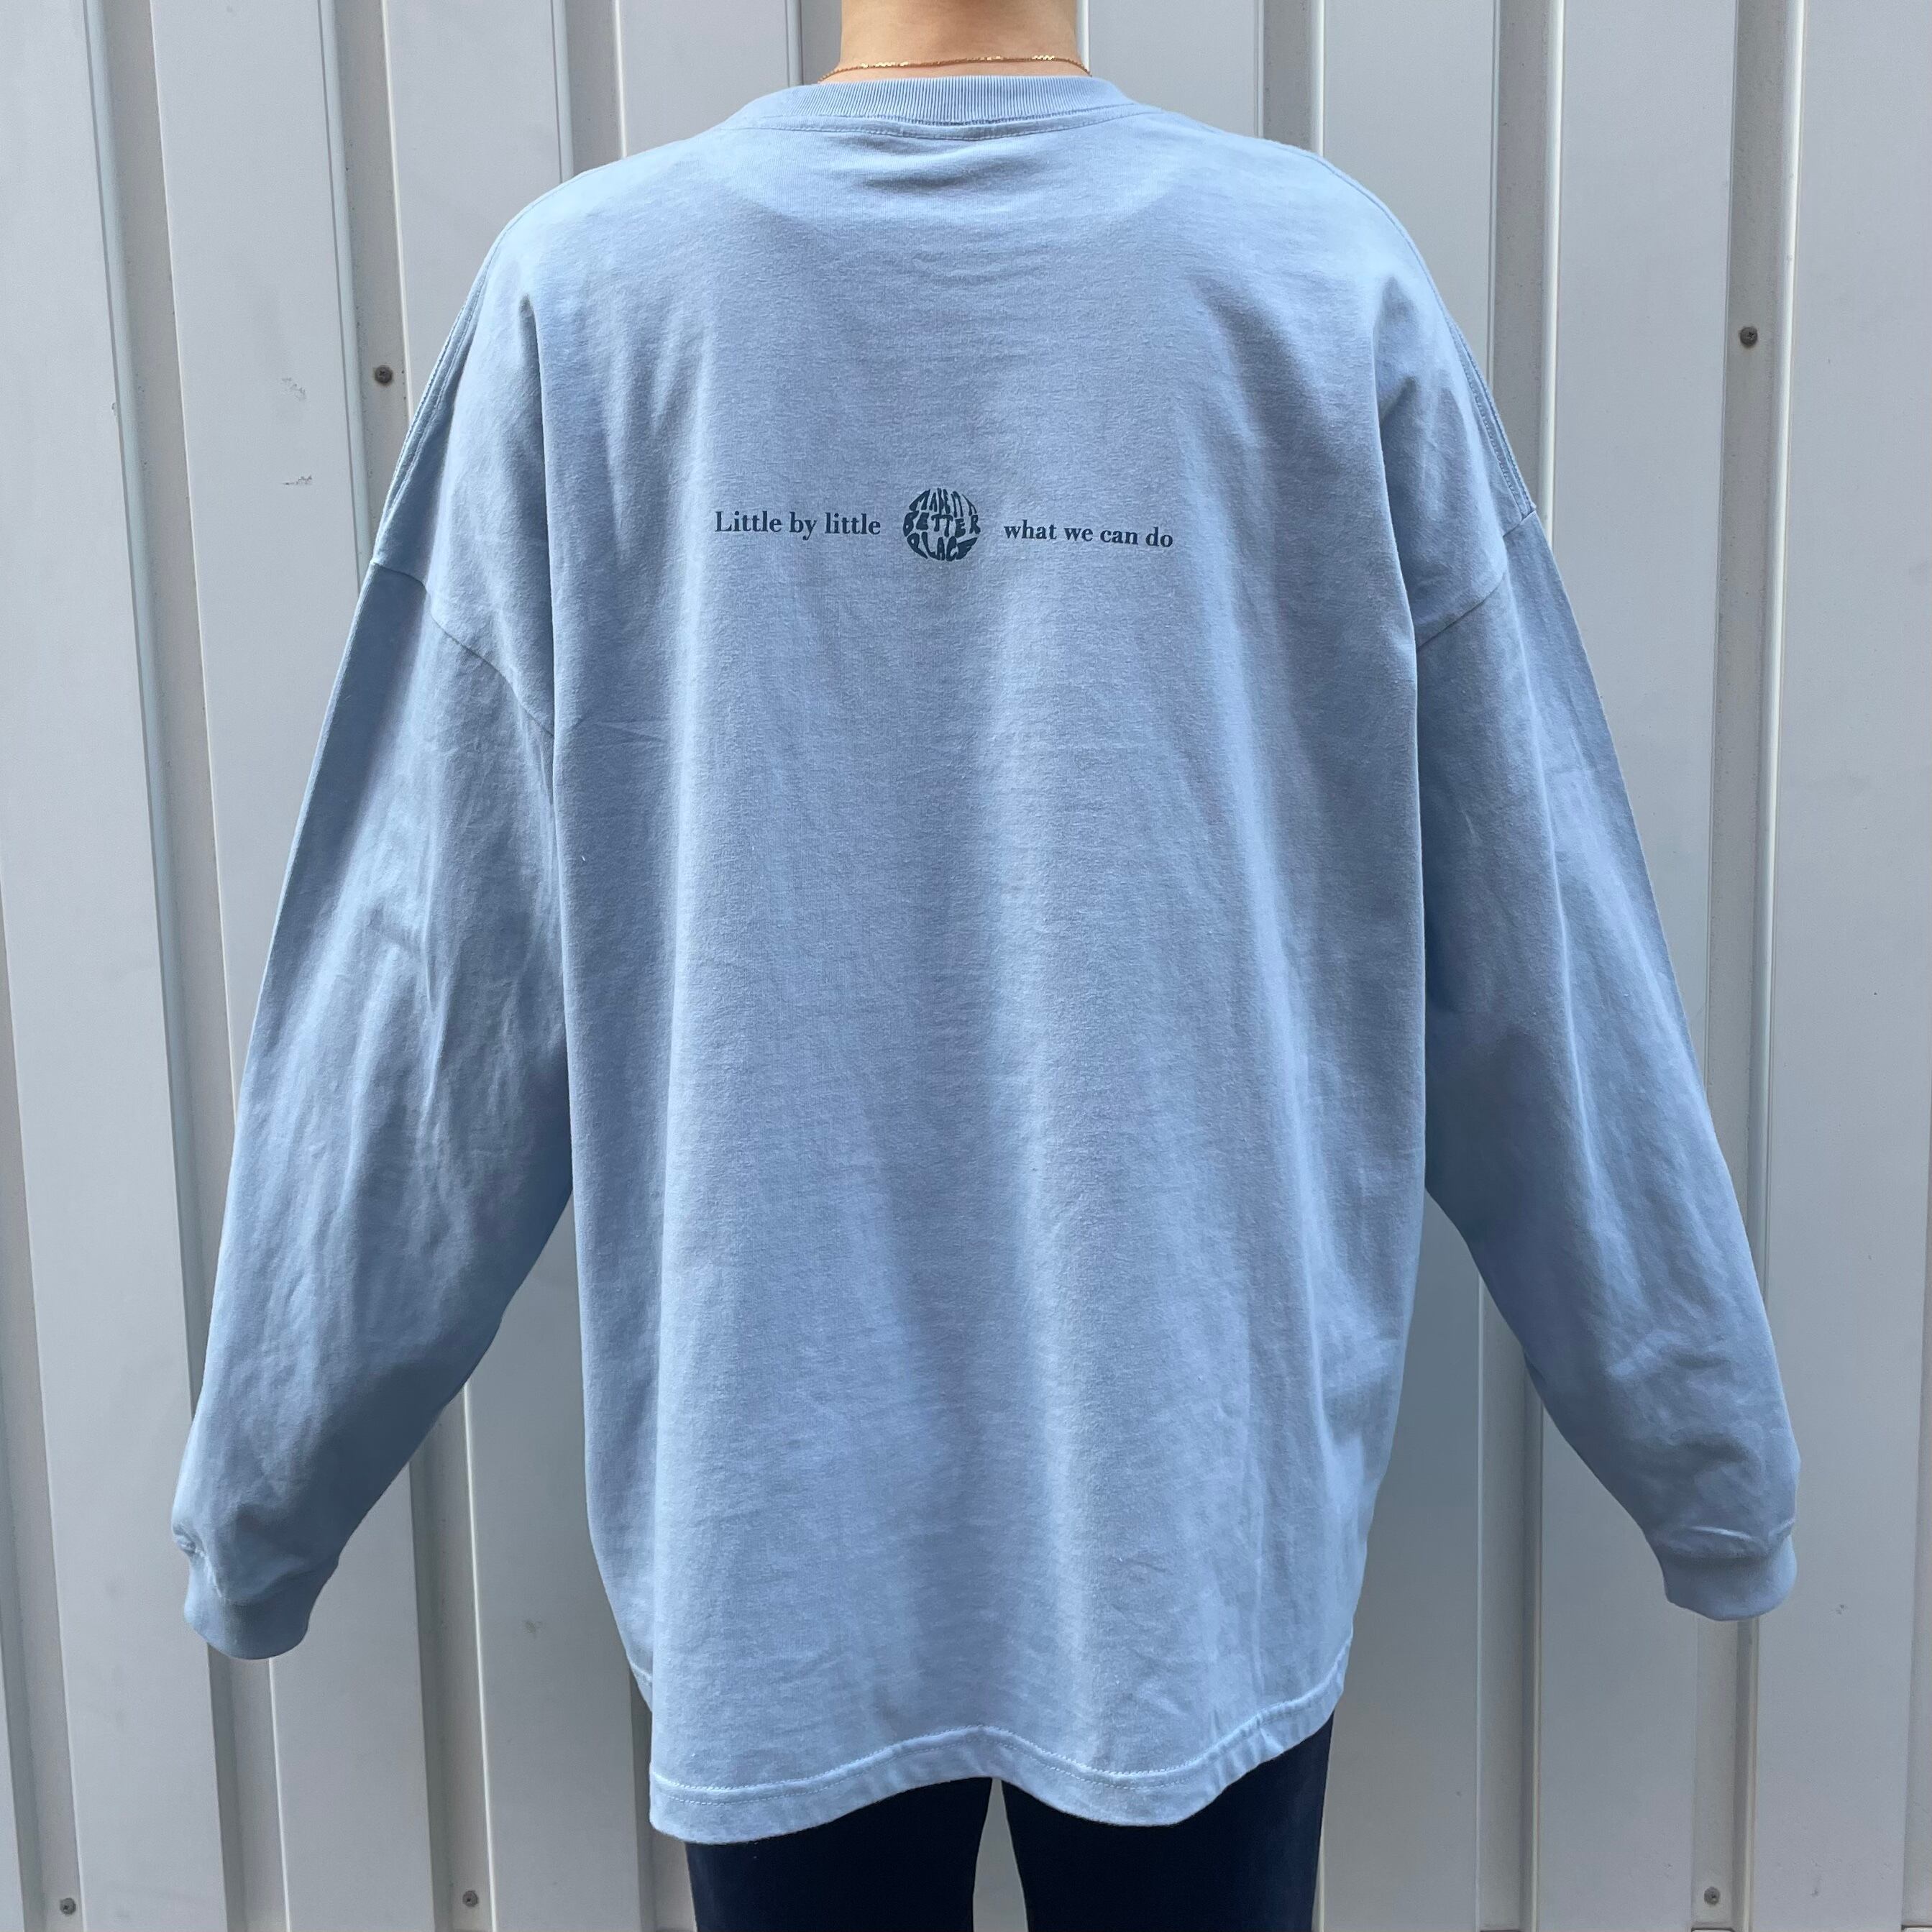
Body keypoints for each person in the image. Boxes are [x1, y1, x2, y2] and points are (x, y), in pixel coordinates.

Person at [169, 0, 1802, 1926]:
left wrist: (261, 1502)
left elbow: (426, 991)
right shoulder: (1306, 282)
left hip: (828, 1534)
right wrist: (1711, 1460)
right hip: (1153, 1530)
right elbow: (1542, 955)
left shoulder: (596, 302)